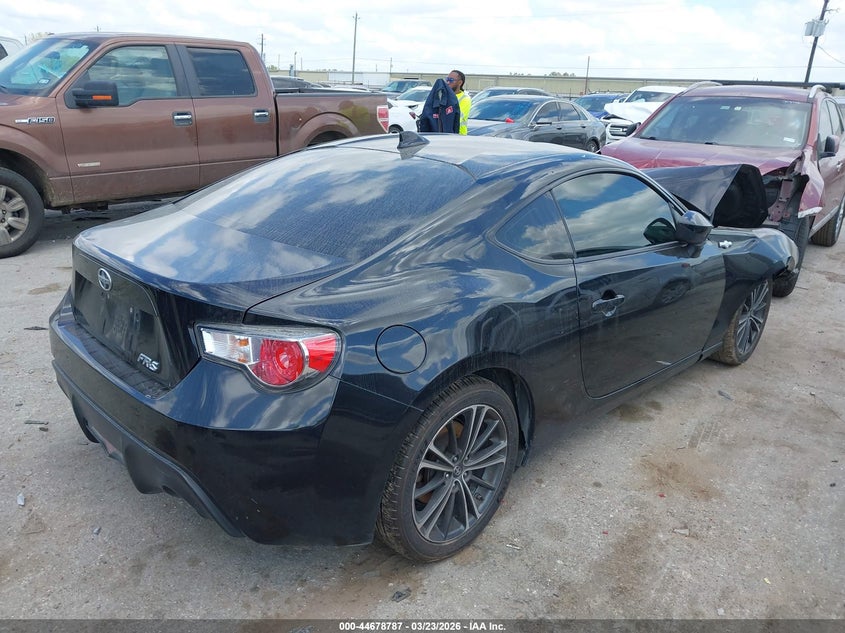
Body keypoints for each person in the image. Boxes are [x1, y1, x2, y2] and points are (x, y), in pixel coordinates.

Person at [445, 70, 471, 135]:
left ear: (460, 82)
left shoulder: (465, 99)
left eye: (451, 80)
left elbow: (458, 118)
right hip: (445, 134)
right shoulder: (444, 96)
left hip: (459, 136)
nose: (448, 82)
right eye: (447, 79)